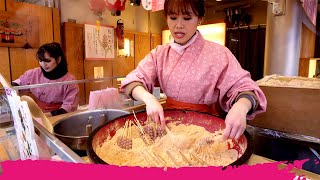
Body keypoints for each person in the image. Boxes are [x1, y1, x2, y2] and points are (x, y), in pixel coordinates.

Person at [121, 0, 267, 139]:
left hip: (208, 130)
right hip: (169, 128)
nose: (178, 25)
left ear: (200, 19)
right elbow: (133, 81)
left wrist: (240, 108)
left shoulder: (218, 54)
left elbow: (245, 89)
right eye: (173, 17)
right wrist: (149, 99)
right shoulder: (159, 54)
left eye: (187, 18)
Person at [12, 42, 80, 116]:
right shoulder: (34, 73)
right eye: (40, 60)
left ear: (59, 59)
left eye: (48, 61)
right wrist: (14, 89)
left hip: (60, 116)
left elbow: (68, 108)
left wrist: (45, 116)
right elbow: (19, 82)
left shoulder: (70, 81)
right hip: (39, 112)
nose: (44, 64)